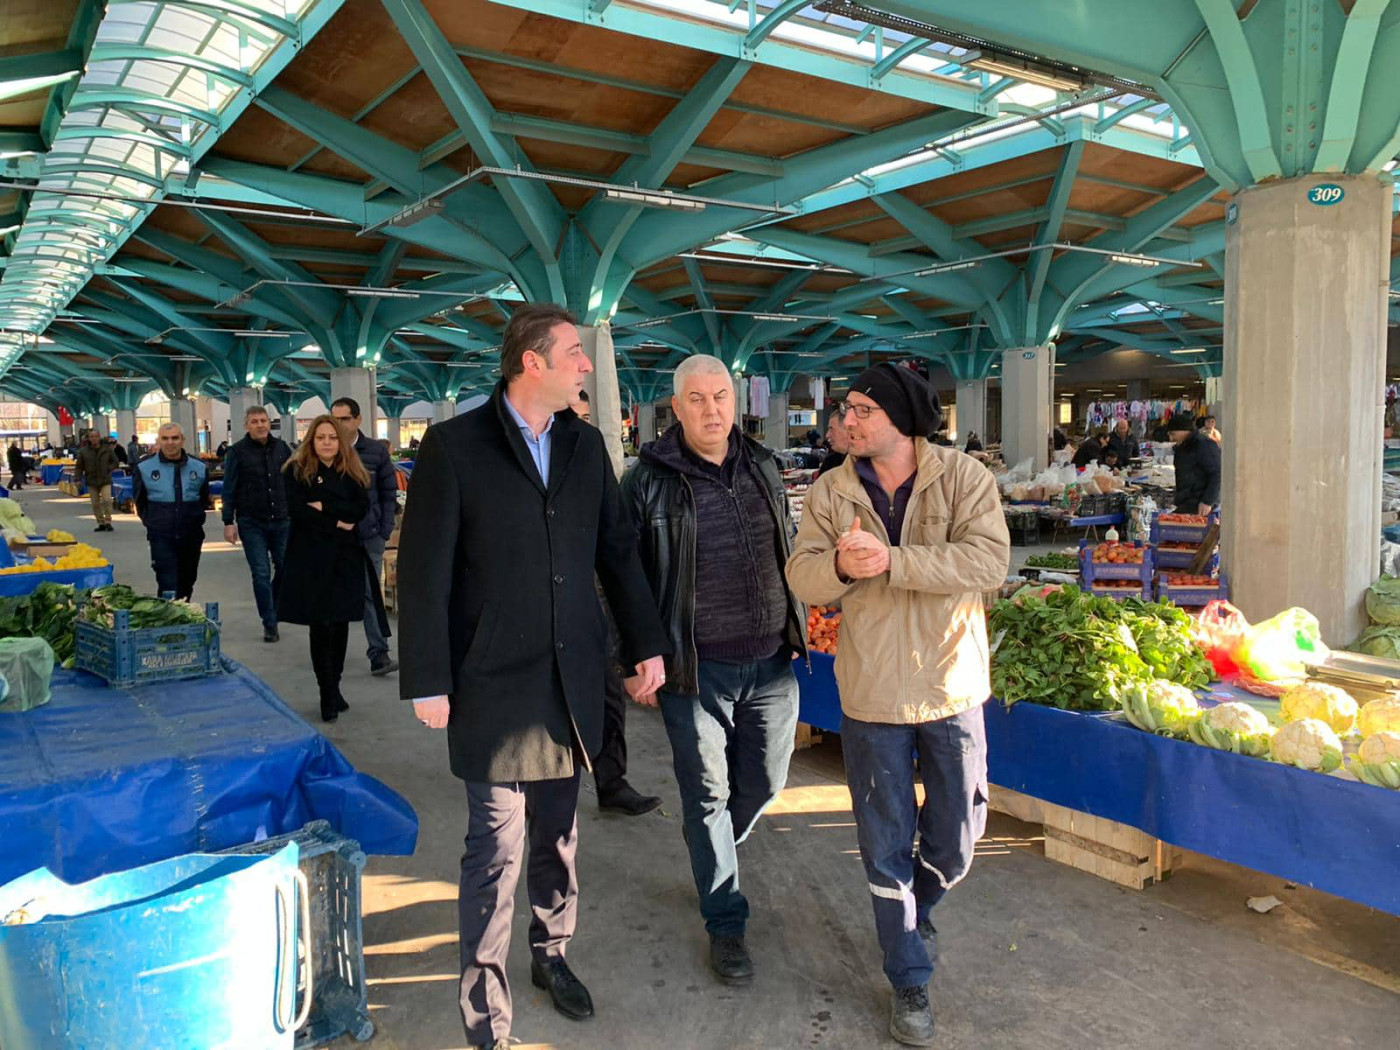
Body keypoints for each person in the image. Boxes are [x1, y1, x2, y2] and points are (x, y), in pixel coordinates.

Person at [396, 303, 669, 1050]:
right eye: (575, 352)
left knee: (558, 835)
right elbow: (424, 571)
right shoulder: (456, 446)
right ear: (532, 363)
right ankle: (487, 1016)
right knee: (495, 851)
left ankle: (552, 953)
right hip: (490, 678)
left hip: (571, 674)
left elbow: (616, 551)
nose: (587, 364)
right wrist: (428, 678)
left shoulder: (584, 444)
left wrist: (645, 645)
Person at [786, 363, 1010, 1047]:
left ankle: (920, 902)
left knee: (958, 835)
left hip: (951, 684)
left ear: (902, 420)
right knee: (884, 843)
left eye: (862, 410)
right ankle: (908, 974)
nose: (846, 421)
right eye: (846, 409)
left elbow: (988, 562)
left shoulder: (963, 478)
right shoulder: (830, 490)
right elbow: (802, 574)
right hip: (874, 692)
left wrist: (891, 561)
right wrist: (839, 568)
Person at [621, 353, 807, 986]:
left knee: (767, 780)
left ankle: (712, 847)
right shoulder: (646, 482)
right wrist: (633, 656)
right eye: (696, 399)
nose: (711, 410)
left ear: (737, 401)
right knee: (706, 797)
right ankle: (726, 923)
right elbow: (618, 578)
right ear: (676, 408)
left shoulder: (764, 465)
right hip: (695, 670)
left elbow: (788, 545)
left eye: (721, 396)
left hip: (772, 663)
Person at [568, 388, 663, 817]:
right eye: (572, 415)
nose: (580, 424)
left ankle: (612, 783)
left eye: (586, 416)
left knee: (609, 697)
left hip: (597, 603)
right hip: (549, 608)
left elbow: (618, 544)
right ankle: (541, 792)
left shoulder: (594, 463)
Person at [277, 415, 387, 722]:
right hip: (310, 558)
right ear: (311, 440)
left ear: (341, 441)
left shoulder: (352, 472)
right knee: (321, 624)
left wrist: (325, 507)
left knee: (340, 623)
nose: (326, 442)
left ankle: (335, 684)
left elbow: (359, 508)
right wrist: (338, 520)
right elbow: (298, 512)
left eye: (332, 437)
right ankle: (325, 690)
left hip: (345, 558)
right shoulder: (296, 471)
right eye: (321, 437)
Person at [330, 397, 400, 676]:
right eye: (334, 419)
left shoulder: (375, 452)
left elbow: (388, 493)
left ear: (358, 420)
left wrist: (384, 531)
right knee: (334, 595)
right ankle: (330, 655)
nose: (338, 424)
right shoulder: (324, 450)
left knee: (371, 594)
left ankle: (379, 654)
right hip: (333, 538)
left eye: (344, 419)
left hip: (369, 536)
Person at [223, 405, 294, 643]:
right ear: (246, 425)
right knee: (261, 573)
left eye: (263, 420)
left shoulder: (282, 448)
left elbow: (292, 481)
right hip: (251, 522)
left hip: (282, 520)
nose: (261, 425)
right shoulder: (237, 452)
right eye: (255, 421)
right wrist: (228, 521)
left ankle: (274, 603)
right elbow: (229, 488)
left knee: (285, 568)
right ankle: (269, 622)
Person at [133, 423, 209, 599]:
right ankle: (168, 615)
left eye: (175, 438)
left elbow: (203, 498)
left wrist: (194, 518)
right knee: (167, 582)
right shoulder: (144, 468)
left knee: (187, 581)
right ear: (158, 440)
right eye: (165, 438)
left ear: (183, 440)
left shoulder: (199, 467)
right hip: (161, 535)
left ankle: (184, 612)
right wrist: (153, 522)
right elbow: (140, 501)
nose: (170, 443)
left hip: (191, 534)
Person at [1168, 410, 1221, 515]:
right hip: (1187, 502)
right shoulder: (1181, 447)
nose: (1171, 438)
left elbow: (1217, 473)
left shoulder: (1204, 444)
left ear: (1185, 431)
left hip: (1201, 504)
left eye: (1173, 434)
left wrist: (1208, 501)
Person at [75, 429, 119, 533]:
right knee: (95, 503)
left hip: (105, 479)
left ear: (99, 437)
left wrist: (108, 468)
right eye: (92, 437)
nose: (94, 439)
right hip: (91, 480)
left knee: (107, 500)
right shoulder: (83, 451)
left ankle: (108, 521)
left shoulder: (107, 449)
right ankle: (101, 523)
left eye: (96, 436)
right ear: (89, 439)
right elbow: (79, 467)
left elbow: (115, 461)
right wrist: (77, 479)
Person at [817, 406, 849, 477]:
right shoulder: (830, 462)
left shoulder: (867, 463)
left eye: (831, 429)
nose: (827, 435)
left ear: (847, 429)